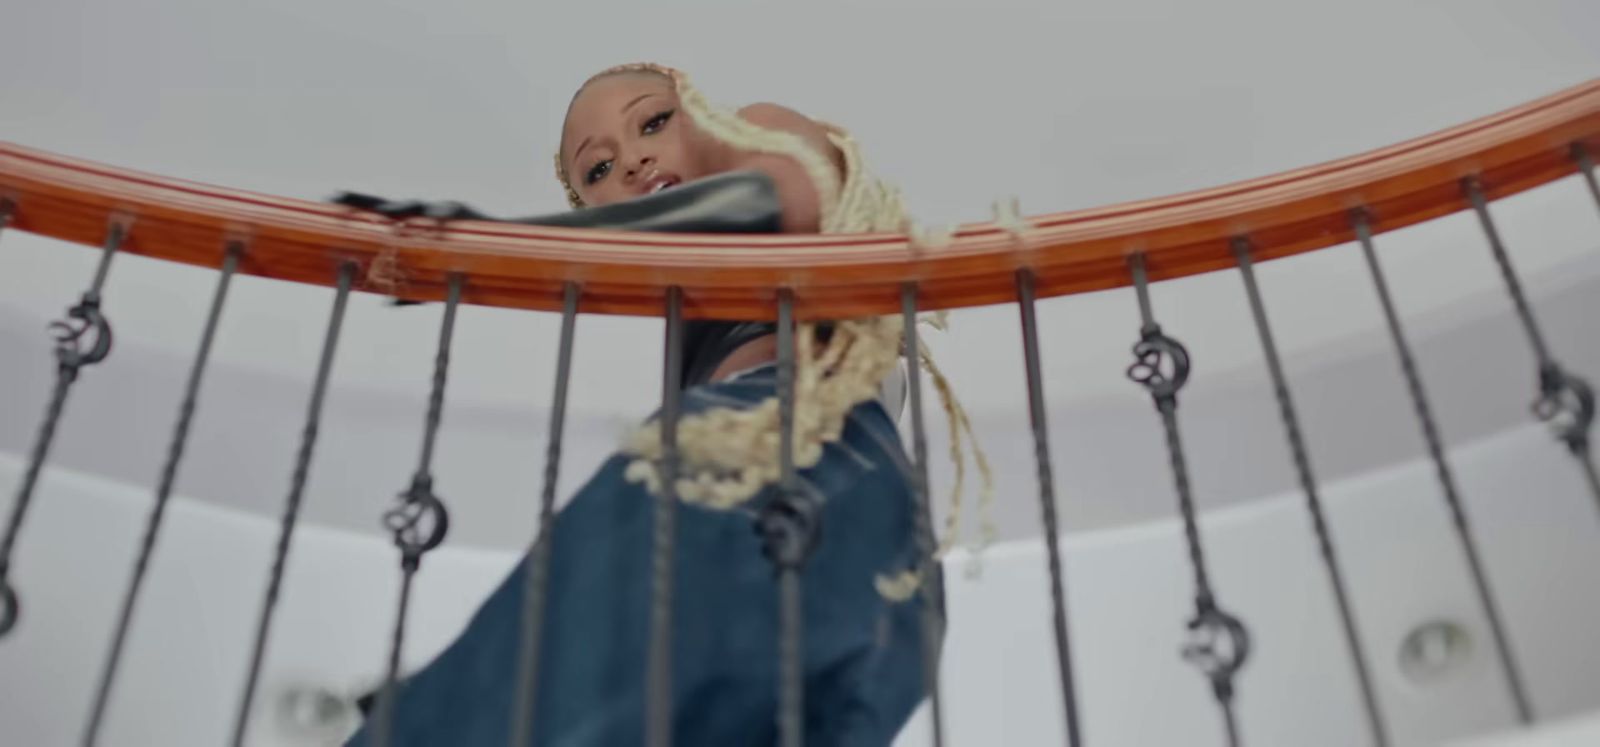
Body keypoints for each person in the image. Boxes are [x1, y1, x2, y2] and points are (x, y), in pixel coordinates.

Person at [344, 62, 964, 746]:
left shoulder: (762, 130)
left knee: (542, 668)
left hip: (779, 472)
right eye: (598, 170)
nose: (633, 159)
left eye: (655, 122)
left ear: (702, 115)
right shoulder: (696, 307)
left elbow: (788, 193)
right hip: (862, 546)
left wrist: (507, 247)